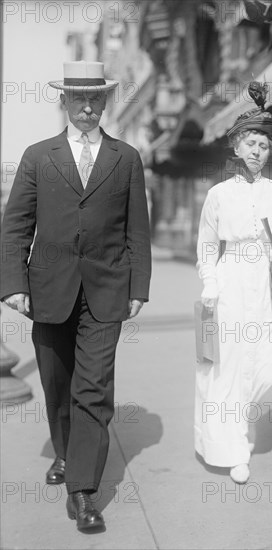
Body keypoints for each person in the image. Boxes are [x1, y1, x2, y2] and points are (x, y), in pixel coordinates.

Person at [0, 61, 151, 531]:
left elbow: (137, 231)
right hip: (48, 289)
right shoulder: (38, 156)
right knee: (56, 384)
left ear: (105, 102)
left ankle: (83, 489)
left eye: (96, 100)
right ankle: (65, 454)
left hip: (106, 290)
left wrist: (138, 287)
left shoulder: (126, 158)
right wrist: (13, 285)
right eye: (78, 99)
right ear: (64, 101)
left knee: (92, 389)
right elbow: (16, 226)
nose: (87, 108)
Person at [195, 82, 272, 484]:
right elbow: (205, 245)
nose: (256, 151)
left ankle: (240, 422)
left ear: (271, 152)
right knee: (228, 366)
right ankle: (231, 446)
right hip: (231, 281)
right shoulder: (218, 195)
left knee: (271, 363)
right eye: (250, 143)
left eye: (263, 145)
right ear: (235, 146)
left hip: (265, 283)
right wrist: (210, 283)